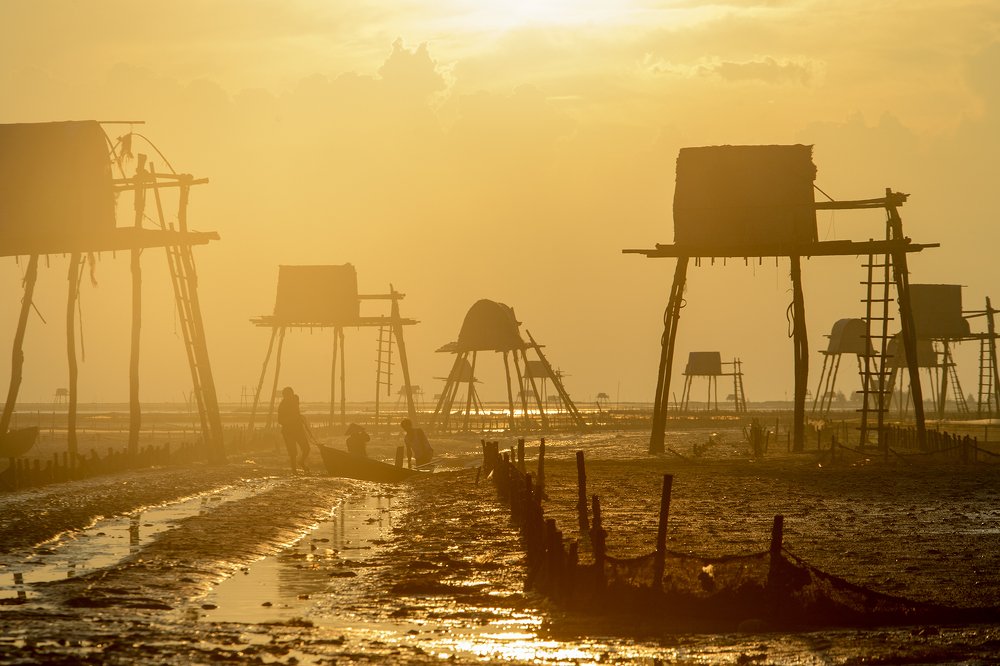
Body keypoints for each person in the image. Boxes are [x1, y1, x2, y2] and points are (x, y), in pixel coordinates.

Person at [277, 386, 310, 472]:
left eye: (290, 395)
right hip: (288, 432)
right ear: (284, 396)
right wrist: (292, 419)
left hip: (298, 429)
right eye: (287, 396)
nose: (289, 397)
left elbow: (296, 410)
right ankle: (294, 470)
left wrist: (299, 417)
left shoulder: (295, 399)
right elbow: (280, 420)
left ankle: (301, 462)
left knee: (306, 448)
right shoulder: (282, 406)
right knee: (293, 453)